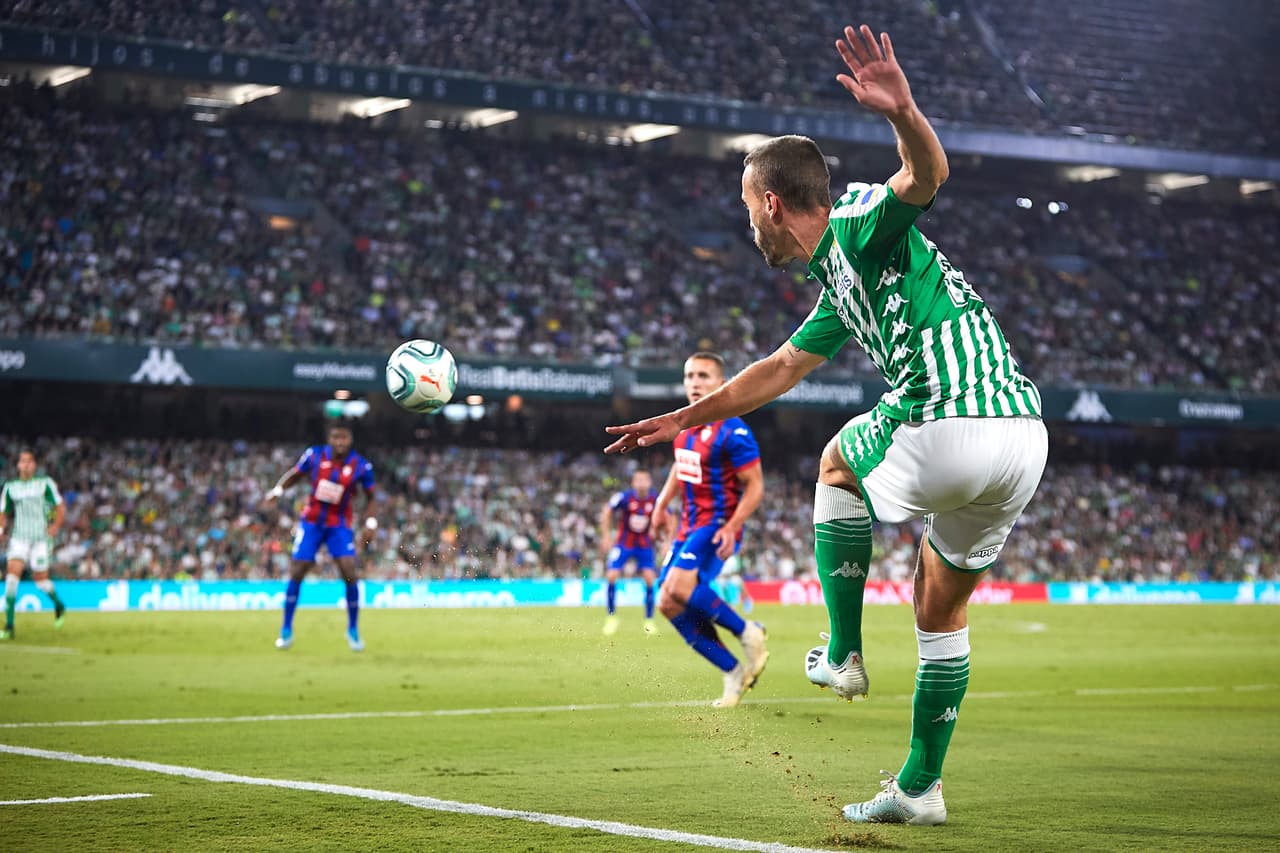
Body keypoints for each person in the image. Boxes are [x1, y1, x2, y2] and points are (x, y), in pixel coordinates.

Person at [606, 24, 1047, 825]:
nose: (749, 225)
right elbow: (772, 371)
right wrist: (683, 416)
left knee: (837, 461)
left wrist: (903, 109)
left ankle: (842, 653)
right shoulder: (841, 287)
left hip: (952, 411)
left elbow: (926, 174)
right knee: (939, 612)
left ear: (773, 203)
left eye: (748, 208)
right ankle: (920, 788)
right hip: (1022, 438)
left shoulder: (857, 224)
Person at [649, 352, 769, 708]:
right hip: (688, 524)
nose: (695, 383)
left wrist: (734, 525)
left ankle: (748, 632)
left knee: (679, 586)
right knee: (666, 602)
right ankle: (732, 671)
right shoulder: (682, 426)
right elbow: (679, 467)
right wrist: (661, 503)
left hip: (717, 524)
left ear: (722, 383)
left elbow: (756, 486)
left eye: (703, 376)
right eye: (689, 376)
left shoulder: (734, 431)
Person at [263, 423, 377, 652]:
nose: (340, 442)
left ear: (350, 440)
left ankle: (353, 629)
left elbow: (371, 497)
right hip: (312, 521)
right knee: (298, 569)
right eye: (336, 437)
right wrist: (278, 490)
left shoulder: (361, 466)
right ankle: (286, 629)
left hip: (340, 524)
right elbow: (296, 474)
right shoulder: (314, 455)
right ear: (330, 439)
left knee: (349, 570)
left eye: (344, 438)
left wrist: (371, 522)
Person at [0, 449, 67, 639]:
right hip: (19, 537)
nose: (26, 464)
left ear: (34, 465)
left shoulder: (45, 483)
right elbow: (2, 513)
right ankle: (10, 626)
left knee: (41, 582)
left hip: (40, 539)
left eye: (29, 461)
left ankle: (59, 605)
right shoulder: (10, 487)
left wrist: (55, 526)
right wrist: (1, 530)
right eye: (22, 461)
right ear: (18, 465)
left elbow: (60, 507)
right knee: (12, 578)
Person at [598, 469, 660, 636]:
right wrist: (606, 536)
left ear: (650, 482)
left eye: (644, 480)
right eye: (637, 480)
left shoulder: (656, 499)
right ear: (633, 483)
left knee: (649, 579)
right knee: (611, 576)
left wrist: (667, 539)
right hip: (624, 543)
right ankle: (611, 618)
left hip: (644, 544)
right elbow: (607, 511)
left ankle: (649, 620)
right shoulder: (624, 497)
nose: (641, 483)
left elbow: (669, 516)